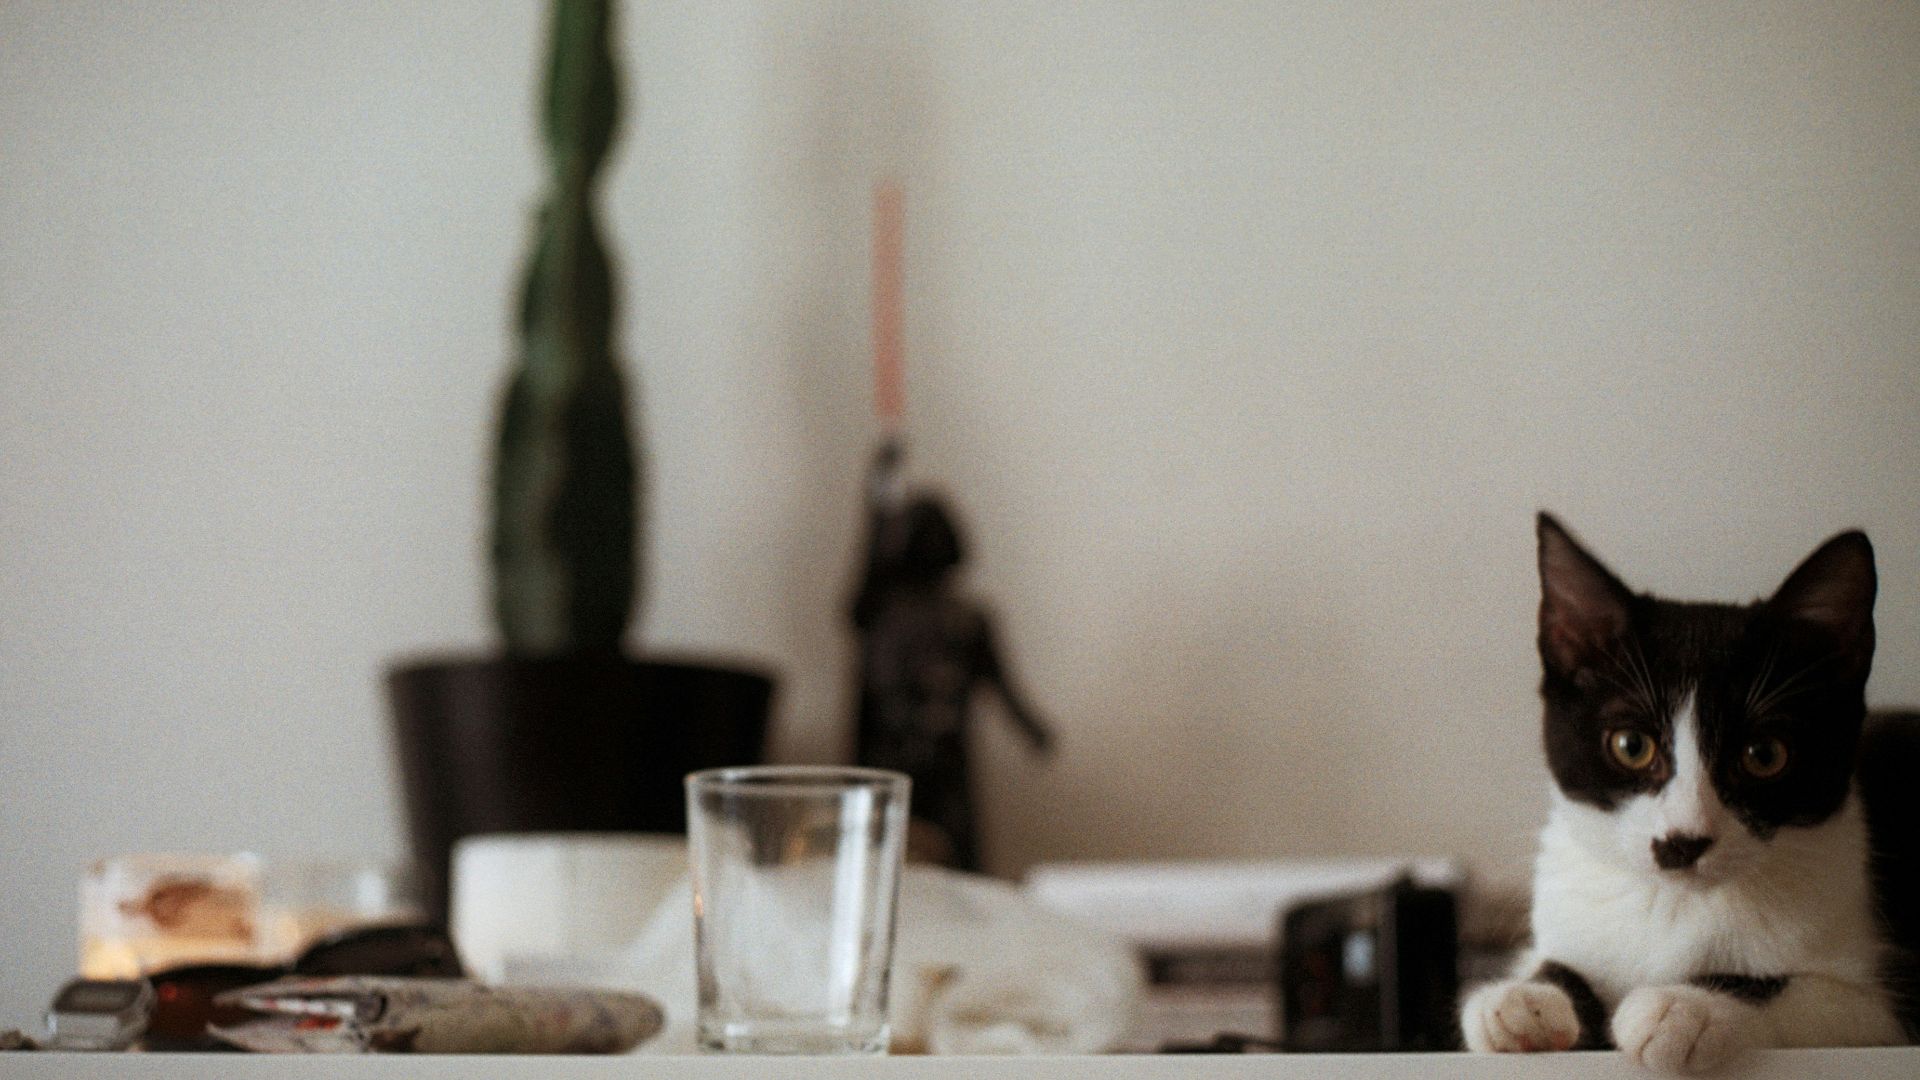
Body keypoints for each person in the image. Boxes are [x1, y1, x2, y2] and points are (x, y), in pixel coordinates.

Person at [848, 444, 1054, 870]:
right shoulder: (881, 608)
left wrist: (1033, 729)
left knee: (957, 862)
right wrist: (879, 486)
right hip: (888, 759)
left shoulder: (965, 618)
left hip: (945, 761)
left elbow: (1000, 682)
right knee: (881, 864)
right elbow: (870, 552)